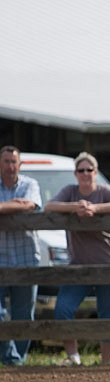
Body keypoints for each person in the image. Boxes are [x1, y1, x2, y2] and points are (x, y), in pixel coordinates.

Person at [44, 152, 110, 365]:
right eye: (81, 170)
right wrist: (76, 207)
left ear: (95, 172)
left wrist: (95, 208)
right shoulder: (70, 191)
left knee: (108, 314)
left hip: (109, 263)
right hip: (79, 265)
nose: (85, 174)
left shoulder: (104, 191)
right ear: (75, 173)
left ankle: (105, 363)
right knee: (63, 309)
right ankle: (73, 357)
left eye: (89, 170)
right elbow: (49, 206)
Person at [0, 145, 42, 366]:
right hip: (1, 259)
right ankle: (11, 359)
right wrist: (15, 205)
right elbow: (23, 205)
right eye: (6, 161)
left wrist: (4, 207)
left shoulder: (30, 184)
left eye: (13, 161)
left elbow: (30, 204)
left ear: (20, 164)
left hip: (26, 258)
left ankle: (19, 358)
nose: (9, 166)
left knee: (24, 314)